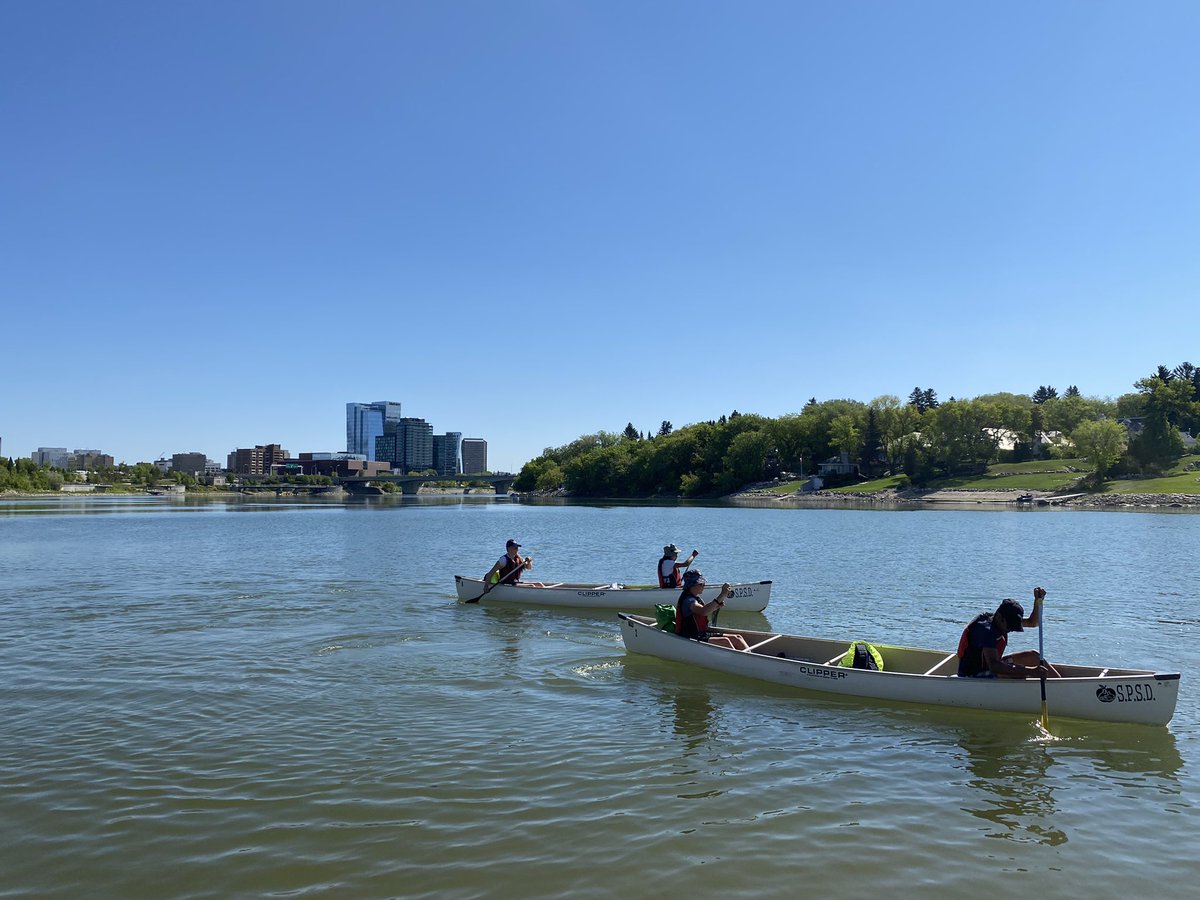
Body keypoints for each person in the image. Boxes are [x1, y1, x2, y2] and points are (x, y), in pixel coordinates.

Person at [957, 587, 1059, 678]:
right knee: (1018, 674)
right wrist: (1030, 671)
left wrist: (1038, 601)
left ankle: (1060, 685)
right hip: (973, 675)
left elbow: (1032, 622)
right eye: (1009, 627)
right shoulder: (986, 631)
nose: (1009, 630)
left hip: (991, 667)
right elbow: (994, 666)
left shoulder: (1002, 619)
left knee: (1033, 656)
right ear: (999, 617)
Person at [674, 569, 750, 651]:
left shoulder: (696, 597)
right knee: (725, 641)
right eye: (701, 584)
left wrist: (716, 606)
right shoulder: (688, 600)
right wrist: (722, 595)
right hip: (690, 636)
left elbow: (703, 612)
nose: (704, 585)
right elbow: (703, 611)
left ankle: (751, 657)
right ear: (692, 585)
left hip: (701, 633)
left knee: (737, 638)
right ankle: (741, 661)